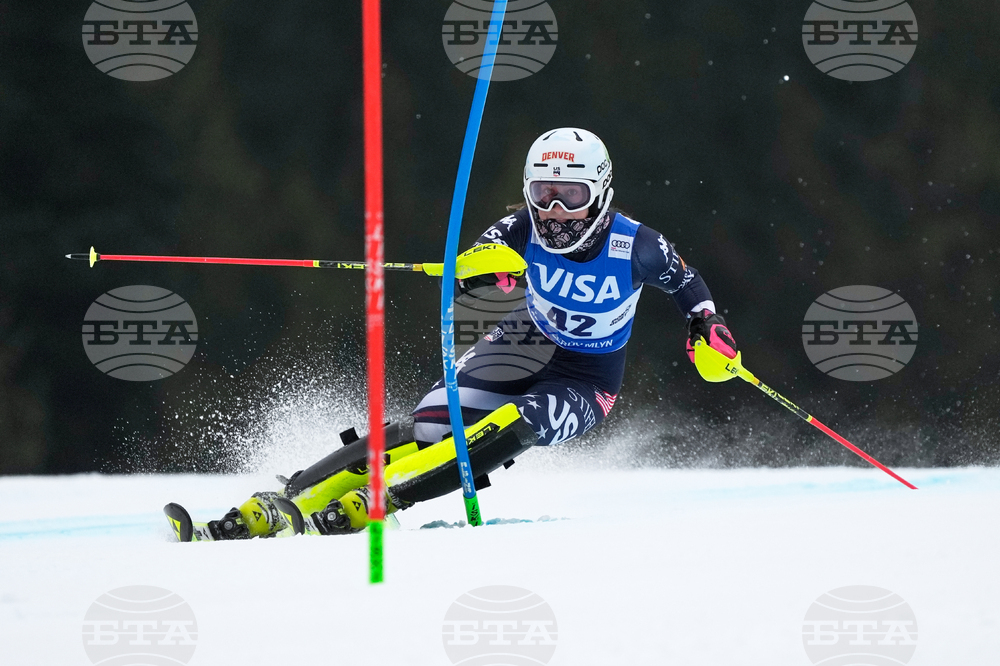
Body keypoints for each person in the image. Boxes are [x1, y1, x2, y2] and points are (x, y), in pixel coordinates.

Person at [205, 127, 739, 539]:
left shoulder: (637, 245)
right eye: (544, 193)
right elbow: (481, 259)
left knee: (519, 421)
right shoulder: (520, 228)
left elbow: (687, 283)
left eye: (570, 195)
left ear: (600, 192)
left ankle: (385, 499)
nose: (555, 211)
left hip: (587, 377)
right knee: (431, 426)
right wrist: (483, 270)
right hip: (523, 341)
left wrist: (706, 324)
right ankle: (292, 497)